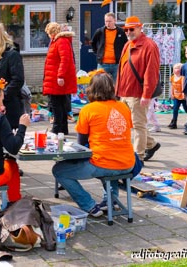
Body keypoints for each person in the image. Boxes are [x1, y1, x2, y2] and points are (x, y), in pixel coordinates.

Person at [52, 71, 134, 217]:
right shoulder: (123, 108)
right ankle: (111, 200)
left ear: (91, 89)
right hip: (127, 163)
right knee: (109, 165)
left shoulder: (88, 110)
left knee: (59, 170)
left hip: (103, 164)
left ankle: (89, 205)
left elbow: (81, 144)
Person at [116, 16, 161, 162]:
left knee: (138, 126)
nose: (128, 32)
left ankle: (138, 157)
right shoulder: (127, 45)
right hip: (125, 92)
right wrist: (118, 91)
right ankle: (151, 144)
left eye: (132, 29)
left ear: (140, 28)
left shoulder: (149, 45)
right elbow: (121, 70)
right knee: (130, 124)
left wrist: (146, 94)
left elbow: (151, 72)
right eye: (126, 29)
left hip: (137, 93)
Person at [42, 22, 77, 135]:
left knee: (56, 104)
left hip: (56, 79)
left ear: (52, 32)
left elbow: (65, 59)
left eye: (49, 33)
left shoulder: (60, 41)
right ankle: (63, 129)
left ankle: (57, 129)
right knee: (61, 104)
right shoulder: (59, 41)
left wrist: (60, 75)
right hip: (56, 78)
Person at [91, 12, 128, 82]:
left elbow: (126, 45)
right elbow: (93, 43)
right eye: (106, 21)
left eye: (110, 21)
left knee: (116, 86)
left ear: (115, 20)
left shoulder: (121, 32)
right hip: (103, 64)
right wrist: (98, 53)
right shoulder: (100, 31)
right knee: (101, 85)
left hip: (116, 64)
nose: (108, 23)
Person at [168, 63, 187, 129]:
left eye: (178, 68)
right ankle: (174, 122)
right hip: (176, 96)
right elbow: (172, 86)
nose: (177, 69)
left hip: (183, 96)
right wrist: (171, 94)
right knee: (175, 109)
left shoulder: (183, 77)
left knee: (186, 108)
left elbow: (184, 86)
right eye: (175, 68)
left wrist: (184, 94)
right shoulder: (172, 77)